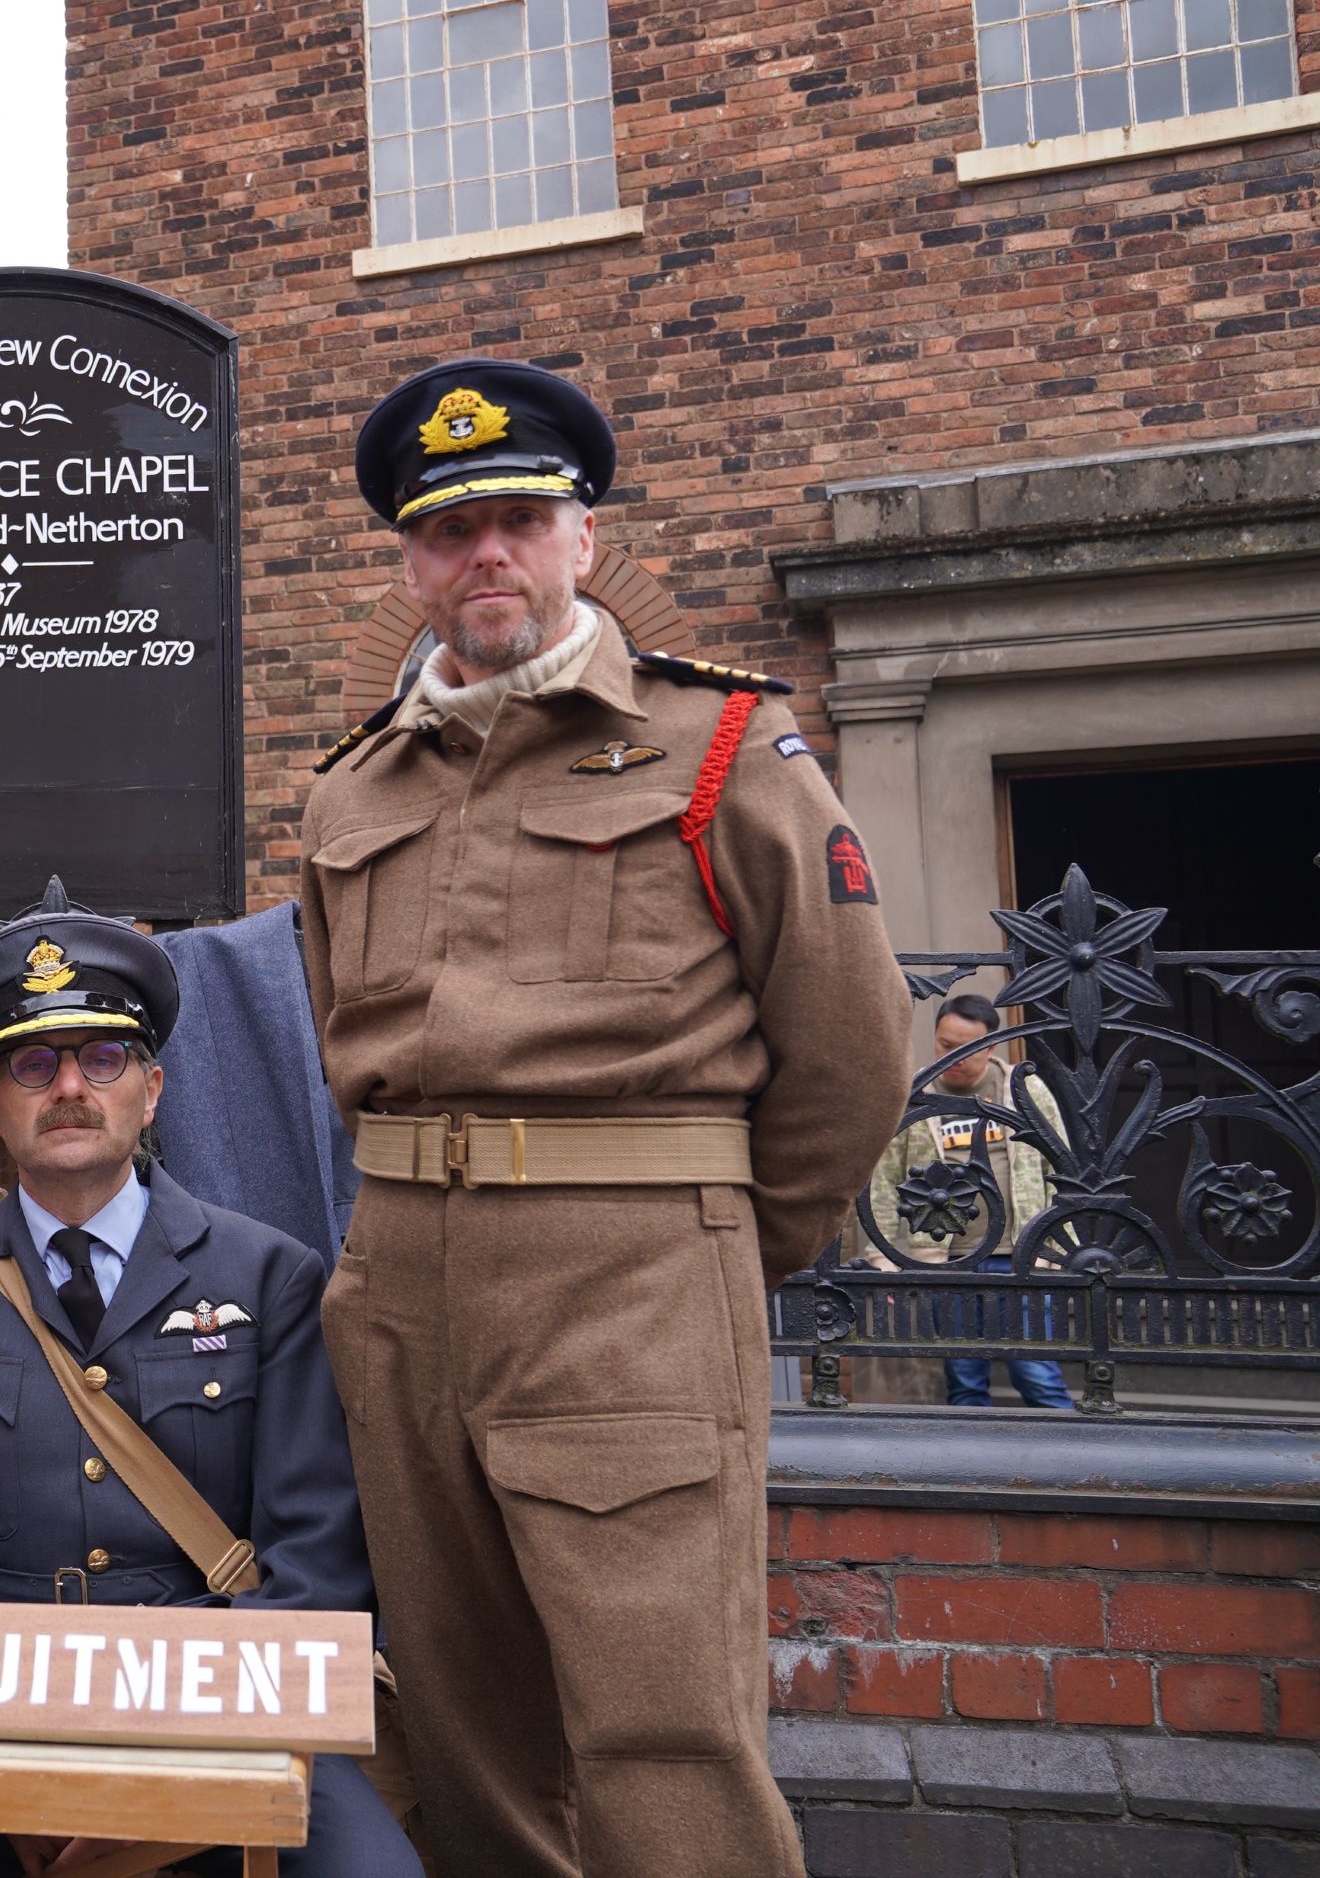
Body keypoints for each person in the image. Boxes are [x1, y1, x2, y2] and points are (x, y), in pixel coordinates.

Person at [300, 361, 914, 1877]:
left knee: (661, 1724)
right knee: (454, 1718)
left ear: (580, 537)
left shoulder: (723, 751)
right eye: (449, 534)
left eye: (518, 519)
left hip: (631, 1276)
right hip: (402, 1288)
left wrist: (705, 1248)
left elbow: (849, 1050)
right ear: (409, 562)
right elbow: (342, 1038)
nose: (485, 557)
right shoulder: (350, 792)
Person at [0, 885, 422, 1878]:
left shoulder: (267, 1276)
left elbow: (312, 1571)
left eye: (102, 1058)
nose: (69, 1086)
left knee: (371, 1872)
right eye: (32, 1062)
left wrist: (160, 1768)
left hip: (210, 1709)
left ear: (151, 1090)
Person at [862, 994, 1075, 1410]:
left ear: (991, 1045)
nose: (954, 1056)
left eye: (967, 1047)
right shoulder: (915, 1092)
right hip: (948, 1261)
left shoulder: (1022, 1088)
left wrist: (1061, 1246)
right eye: (945, 1045)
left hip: (1022, 1256)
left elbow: (1062, 1167)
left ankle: (1070, 1470)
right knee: (964, 1379)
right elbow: (884, 1181)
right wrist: (882, 1259)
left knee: (1037, 1375)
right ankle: (975, 1476)